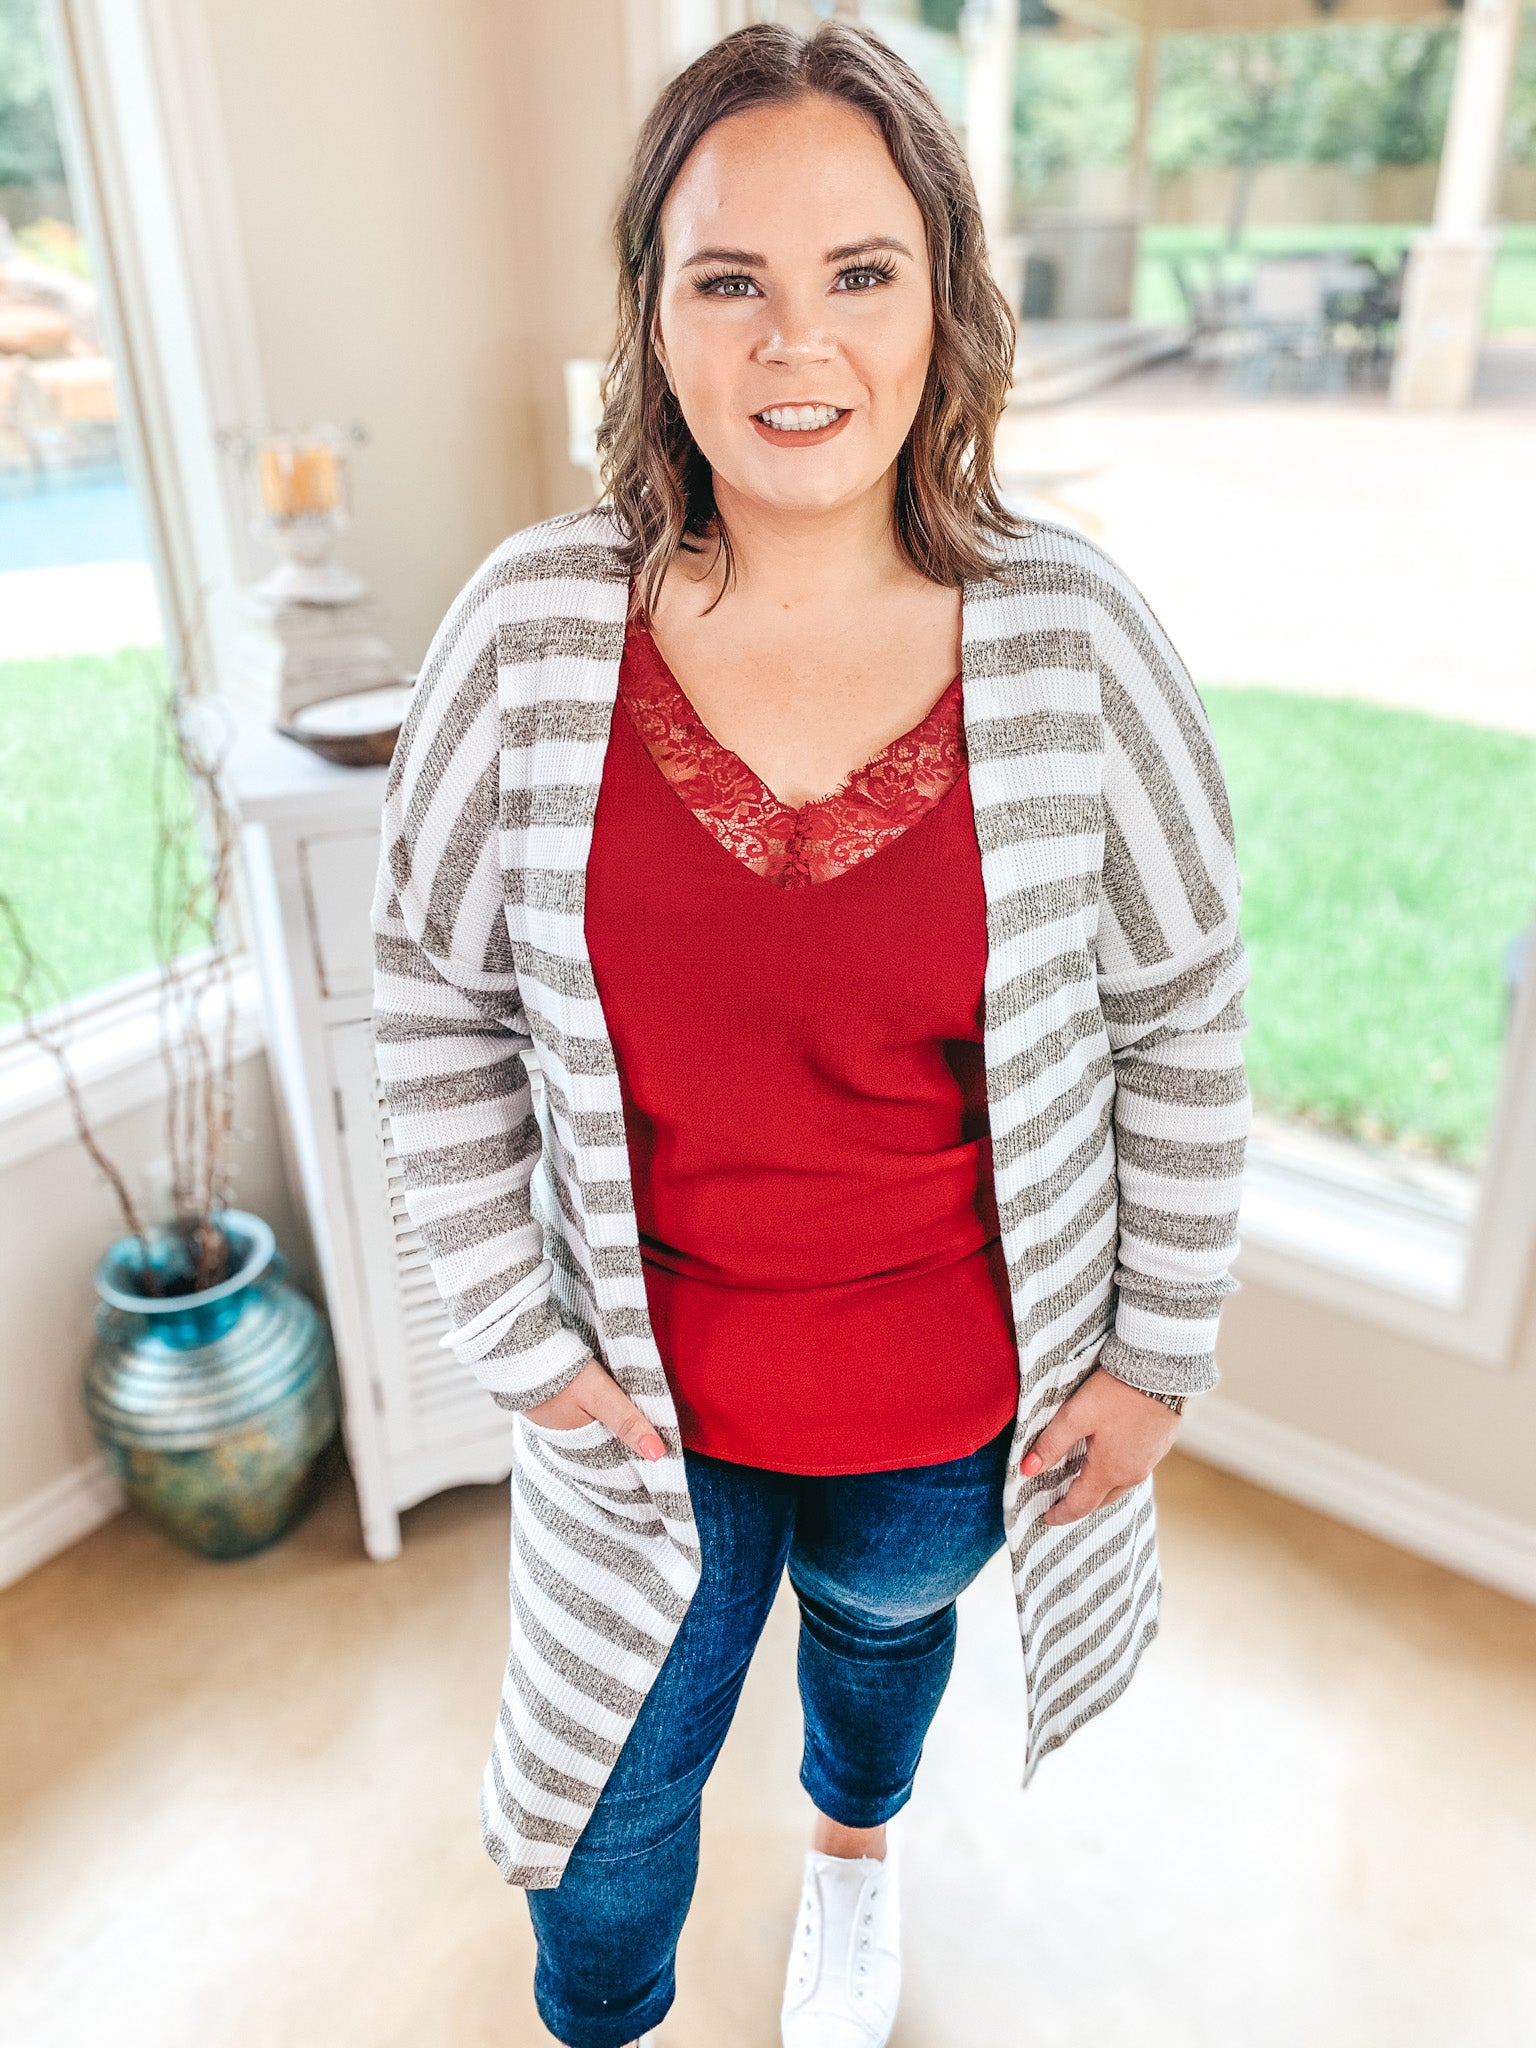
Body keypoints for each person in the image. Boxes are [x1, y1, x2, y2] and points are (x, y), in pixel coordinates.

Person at [370, 21, 1252, 2048]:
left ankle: (858, 1853)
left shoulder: (1078, 640)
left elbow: (1182, 1007)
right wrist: (521, 1332)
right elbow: (431, 983)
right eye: (729, 278)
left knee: (878, 1643)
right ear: (653, 319)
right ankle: (606, 2021)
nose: (798, 343)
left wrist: (1155, 1351)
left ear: (944, 301)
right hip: (633, 1423)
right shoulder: (525, 636)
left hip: (949, 1416)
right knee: (609, 1806)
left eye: (861, 271)